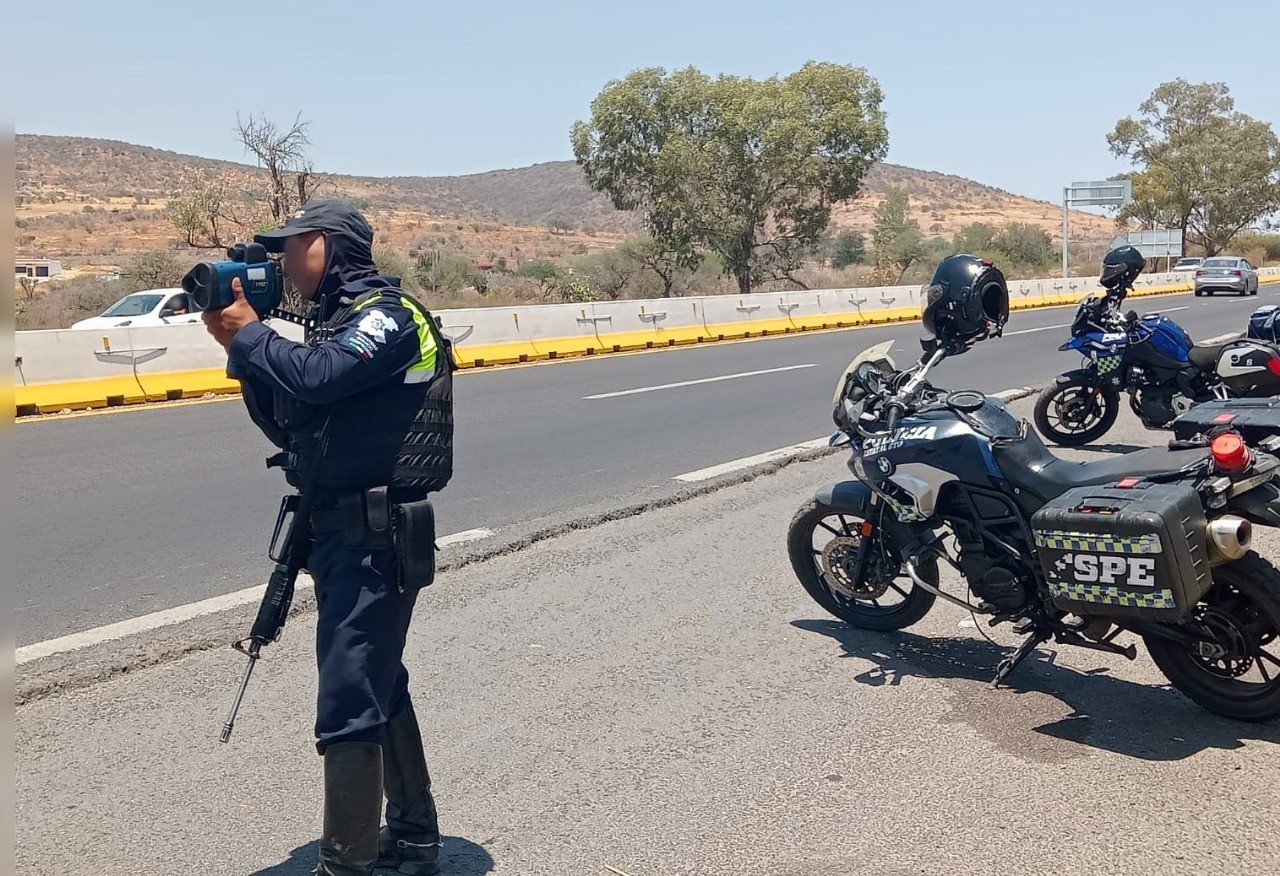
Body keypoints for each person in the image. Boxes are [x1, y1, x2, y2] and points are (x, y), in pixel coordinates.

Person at [202, 199, 455, 876]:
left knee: (349, 691)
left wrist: (254, 338)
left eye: (294, 244)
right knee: (377, 680)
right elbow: (290, 421)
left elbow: (323, 378)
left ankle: (347, 864)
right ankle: (416, 837)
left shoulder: (388, 317)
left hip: (379, 535)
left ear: (330, 246)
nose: (284, 259)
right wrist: (242, 350)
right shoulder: (330, 326)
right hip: (340, 532)